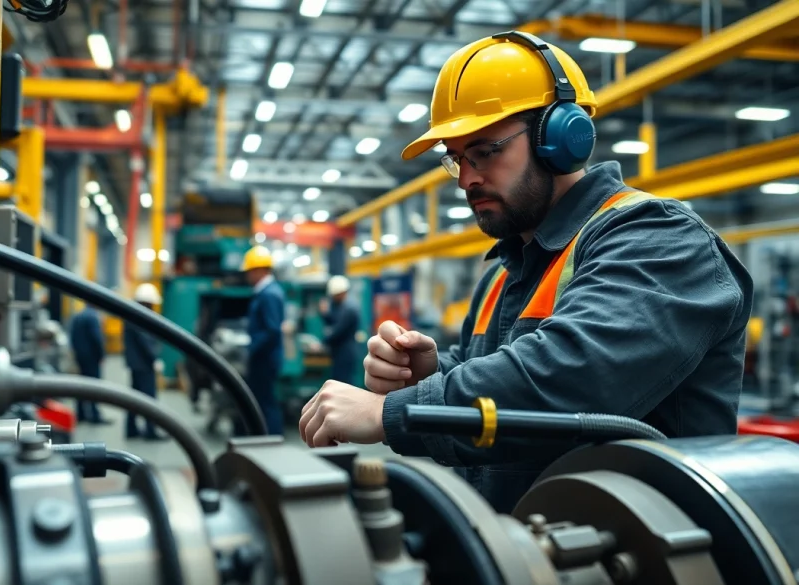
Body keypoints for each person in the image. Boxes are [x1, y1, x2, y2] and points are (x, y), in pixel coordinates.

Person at [297, 31, 753, 513]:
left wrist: (394, 413)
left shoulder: (659, 239)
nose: (468, 178)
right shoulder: (503, 271)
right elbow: (503, 376)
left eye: (486, 151)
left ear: (561, 137)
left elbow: (571, 378)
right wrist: (430, 374)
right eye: (456, 159)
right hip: (527, 551)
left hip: (650, 553)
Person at [238, 245, 285, 436]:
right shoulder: (267, 292)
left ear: (260, 270)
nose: (247, 276)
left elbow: (272, 330)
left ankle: (272, 439)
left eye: (249, 271)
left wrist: (250, 349)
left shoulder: (269, 294)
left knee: (266, 402)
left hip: (264, 358)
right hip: (263, 357)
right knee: (261, 400)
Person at [123, 283, 168, 440]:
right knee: (149, 398)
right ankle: (150, 431)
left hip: (136, 364)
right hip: (143, 365)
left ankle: (132, 429)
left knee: (135, 398)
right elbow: (145, 341)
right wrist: (154, 359)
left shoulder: (132, 314)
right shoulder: (139, 316)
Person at [69, 302, 111, 424]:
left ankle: (81, 414)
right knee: (94, 386)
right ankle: (95, 415)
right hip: (92, 358)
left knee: (81, 385)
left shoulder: (78, 316)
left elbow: (72, 337)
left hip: (81, 357)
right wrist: (101, 355)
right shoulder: (93, 317)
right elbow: (97, 338)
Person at [321, 275, 361, 384]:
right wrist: (324, 314)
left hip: (345, 353)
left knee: (344, 383)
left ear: (341, 293)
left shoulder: (349, 308)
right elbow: (334, 321)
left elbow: (339, 330)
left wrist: (322, 342)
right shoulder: (341, 306)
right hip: (339, 351)